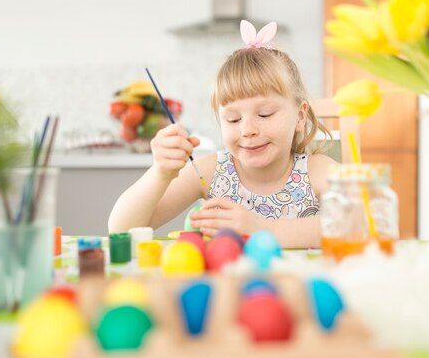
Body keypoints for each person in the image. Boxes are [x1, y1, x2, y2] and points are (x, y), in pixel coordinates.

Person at [108, 20, 338, 248]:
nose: (248, 130)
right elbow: (121, 230)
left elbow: (362, 223)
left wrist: (262, 229)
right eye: (233, 119)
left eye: (265, 114)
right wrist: (161, 172)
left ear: (299, 117)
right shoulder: (212, 172)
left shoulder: (316, 171)